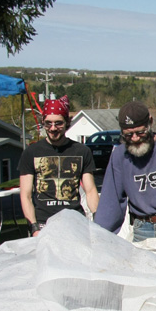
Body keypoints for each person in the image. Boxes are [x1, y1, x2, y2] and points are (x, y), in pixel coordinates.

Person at [95, 100, 156, 268]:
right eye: (128, 135)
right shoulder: (119, 155)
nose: (134, 138)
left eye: (140, 132)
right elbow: (111, 202)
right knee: (145, 286)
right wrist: (100, 237)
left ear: (150, 122)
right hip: (142, 229)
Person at [19, 95, 99, 235]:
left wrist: (98, 221)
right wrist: (34, 227)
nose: (53, 128)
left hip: (75, 222)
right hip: (44, 224)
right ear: (42, 122)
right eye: (48, 123)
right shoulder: (31, 152)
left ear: (67, 122)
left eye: (58, 123)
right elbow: (25, 195)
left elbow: (91, 190)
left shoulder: (82, 151)